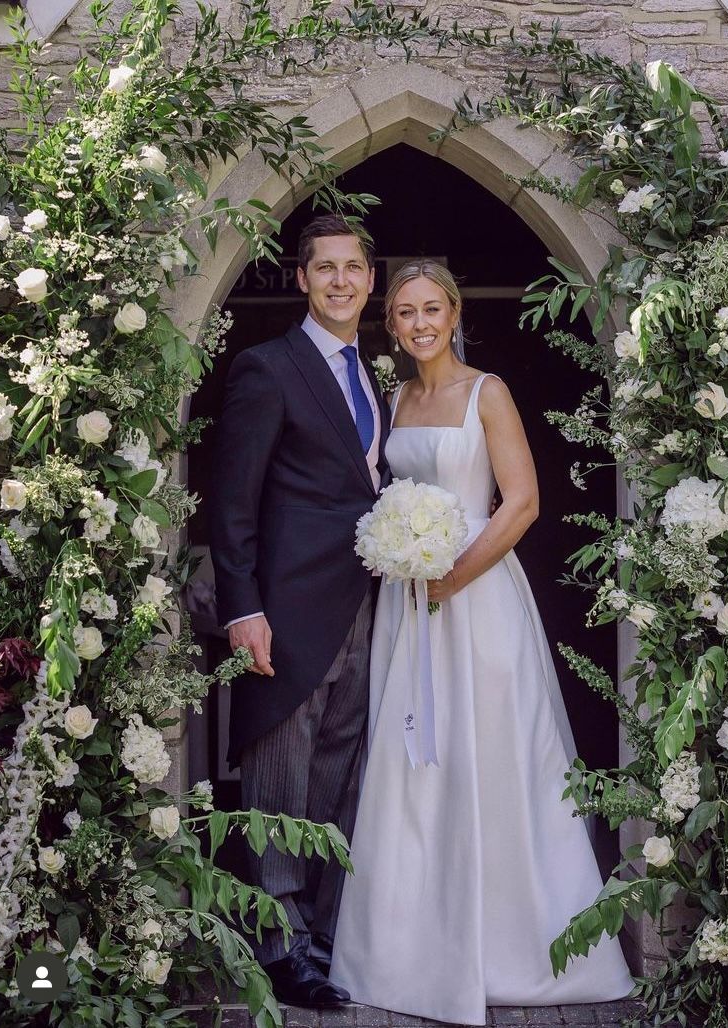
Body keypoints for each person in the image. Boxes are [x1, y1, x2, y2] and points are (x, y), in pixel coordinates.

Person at [329, 260, 636, 1024]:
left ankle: (514, 949)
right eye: (405, 313)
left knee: (491, 753)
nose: (420, 323)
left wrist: (454, 575)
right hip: (410, 599)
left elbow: (523, 502)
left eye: (432, 309)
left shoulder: (486, 392)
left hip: (477, 595)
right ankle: (406, 950)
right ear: (391, 324)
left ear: (455, 311)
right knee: (411, 761)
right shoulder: (396, 397)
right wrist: (403, 557)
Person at [209, 214, 391, 1008]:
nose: (341, 281)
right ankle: (279, 947)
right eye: (326, 269)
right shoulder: (267, 367)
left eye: (354, 268)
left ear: (370, 279)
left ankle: (319, 932)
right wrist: (242, 609)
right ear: (302, 279)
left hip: (361, 603)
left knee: (336, 774)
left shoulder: (371, 375)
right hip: (282, 613)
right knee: (280, 775)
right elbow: (232, 502)